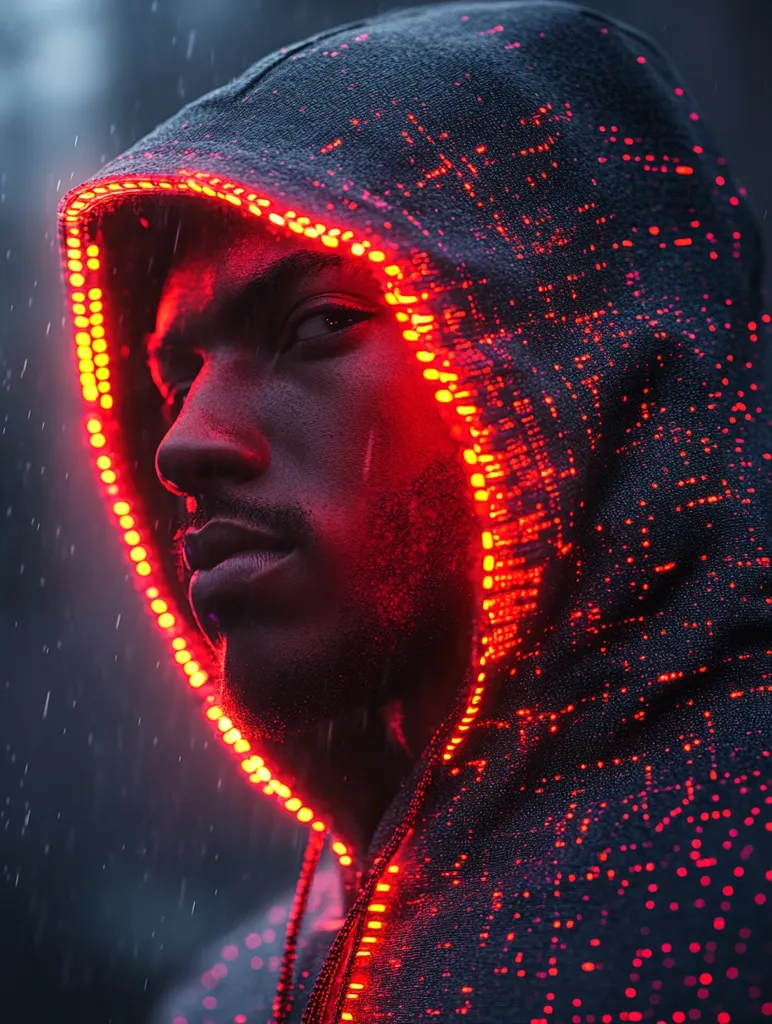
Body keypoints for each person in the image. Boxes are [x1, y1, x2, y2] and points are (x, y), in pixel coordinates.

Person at [58, 1, 772, 1021]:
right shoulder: (229, 995)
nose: (181, 445)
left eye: (315, 326)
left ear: (583, 361)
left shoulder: (737, 906)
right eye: (176, 379)